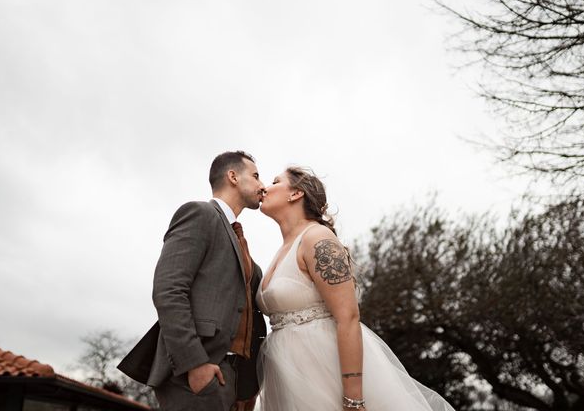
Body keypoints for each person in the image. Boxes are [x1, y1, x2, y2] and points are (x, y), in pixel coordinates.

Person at [256, 166, 456, 411]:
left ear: (295, 194)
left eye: (275, 181)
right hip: (286, 375)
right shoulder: (281, 250)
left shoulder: (317, 238)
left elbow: (348, 316)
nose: (265, 186)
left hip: (322, 369)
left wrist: (353, 398)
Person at [118, 151, 267, 411]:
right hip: (196, 371)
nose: (262, 185)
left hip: (232, 376)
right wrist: (194, 364)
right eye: (255, 176)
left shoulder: (239, 237)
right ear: (232, 176)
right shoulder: (200, 214)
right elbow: (168, 290)